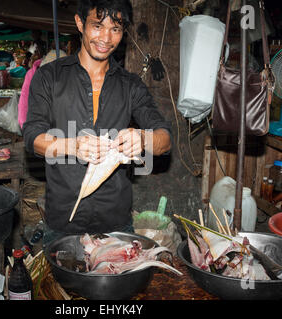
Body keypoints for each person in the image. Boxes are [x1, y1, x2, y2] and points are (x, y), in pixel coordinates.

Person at [22, 0, 172, 245]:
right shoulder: (49, 77)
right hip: (63, 224)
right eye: (98, 26)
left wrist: (143, 139)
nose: (106, 37)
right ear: (80, 23)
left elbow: (164, 140)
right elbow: (32, 137)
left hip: (116, 224)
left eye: (116, 29)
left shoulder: (130, 85)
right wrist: (74, 146)